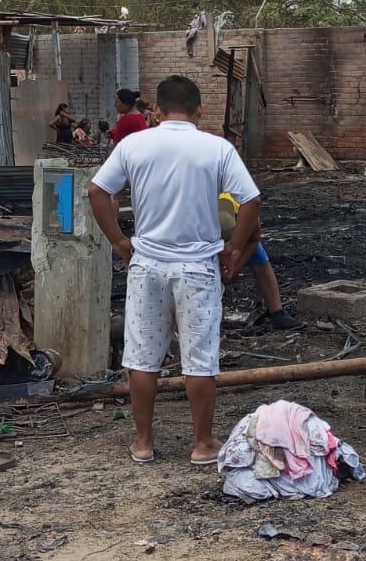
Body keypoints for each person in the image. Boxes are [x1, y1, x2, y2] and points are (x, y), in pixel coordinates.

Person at [89, 75, 261, 465]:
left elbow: (98, 191)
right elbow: (250, 200)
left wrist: (119, 241)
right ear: (200, 109)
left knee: (143, 356)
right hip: (198, 268)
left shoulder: (134, 144)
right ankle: (202, 444)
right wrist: (233, 248)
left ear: (156, 111)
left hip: (146, 264)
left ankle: (144, 443)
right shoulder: (217, 148)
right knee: (199, 359)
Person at [219, 192, 304, 332]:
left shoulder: (246, 207)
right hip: (202, 238)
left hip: (239, 231)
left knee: (259, 260)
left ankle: (277, 314)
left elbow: (254, 239)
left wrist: (235, 266)